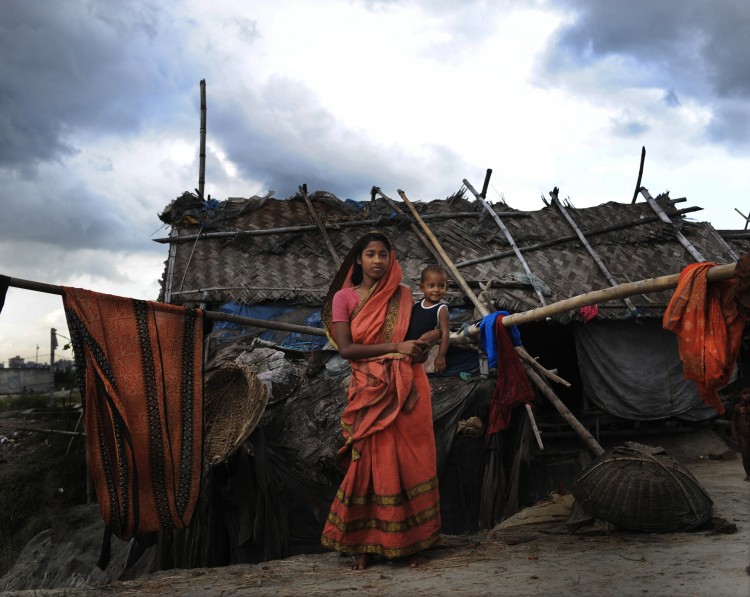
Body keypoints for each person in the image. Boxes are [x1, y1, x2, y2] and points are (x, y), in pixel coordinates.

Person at [320, 231, 442, 570]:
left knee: (409, 462)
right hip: (368, 390)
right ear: (358, 259)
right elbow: (346, 349)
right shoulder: (344, 298)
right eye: (370, 254)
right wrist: (395, 348)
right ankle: (364, 544)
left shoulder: (404, 297)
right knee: (369, 464)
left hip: (407, 387)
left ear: (392, 259)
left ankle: (411, 543)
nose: (377, 260)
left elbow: (412, 344)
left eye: (383, 254)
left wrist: (427, 340)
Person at [405, 265, 450, 374]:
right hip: (405, 347)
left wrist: (441, 356)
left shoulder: (441, 309)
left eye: (441, 286)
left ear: (446, 288)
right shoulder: (415, 305)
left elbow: (445, 334)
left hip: (419, 352)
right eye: (431, 286)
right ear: (422, 287)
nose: (436, 290)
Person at [730, 384, 750, 481]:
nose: (748, 395)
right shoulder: (737, 407)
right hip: (743, 437)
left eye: (749, 393)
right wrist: (734, 432)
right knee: (745, 456)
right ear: (740, 395)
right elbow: (733, 421)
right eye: (744, 393)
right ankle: (749, 475)